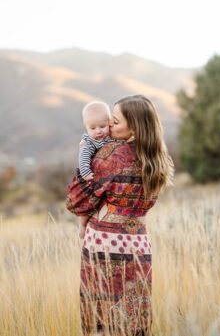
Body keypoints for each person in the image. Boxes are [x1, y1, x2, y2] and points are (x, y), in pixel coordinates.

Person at [66, 95, 174, 335]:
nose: (109, 126)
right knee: (134, 317)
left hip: (105, 244)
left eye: (115, 121)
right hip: (138, 245)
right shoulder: (158, 159)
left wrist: (85, 156)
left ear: (133, 127)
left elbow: (76, 199)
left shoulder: (111, 155)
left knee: (101, 319)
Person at [76, 101, 115, 234]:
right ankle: (82, 224)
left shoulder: (111, 136)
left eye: (102, 126)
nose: (98, 131)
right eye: (92, 128)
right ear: (86, 128)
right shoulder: (90, 142)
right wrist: (86, 172)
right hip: (90, 176)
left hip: (105, 177)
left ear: (109, 123)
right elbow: (83, 157)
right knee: (88, 202)